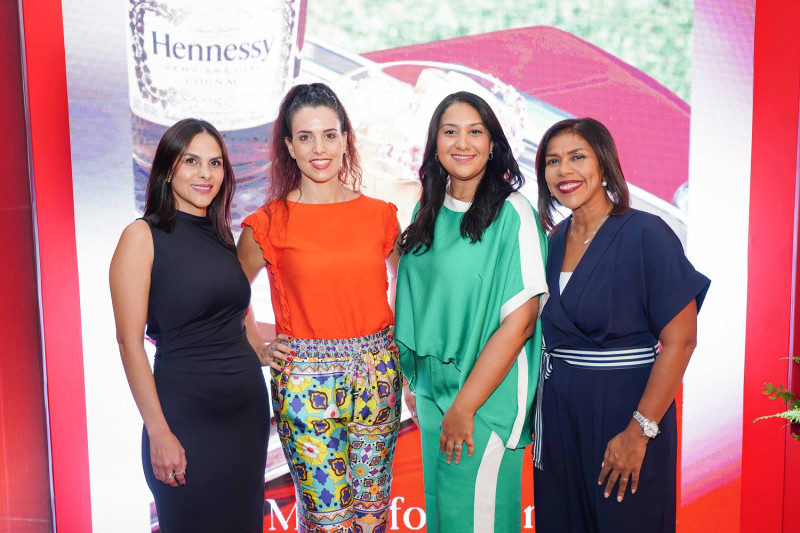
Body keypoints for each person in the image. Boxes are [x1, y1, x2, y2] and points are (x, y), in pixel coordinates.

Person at [531, 117, 710, 533]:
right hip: (560, 416)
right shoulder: (553, 240)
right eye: (553, 161)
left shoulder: (646, 232)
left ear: (604, 162)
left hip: (627, 412)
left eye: (578, 157)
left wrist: (638, 432)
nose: (565, 170)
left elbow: (681, 341)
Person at [237, 83, 402, 533]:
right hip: (304, 380)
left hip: (376, 373)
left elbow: (406, 284)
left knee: (371, 516)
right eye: (305, 137)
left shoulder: (381, 215)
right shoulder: (267, 223)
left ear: (346, 138)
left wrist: (396, 347)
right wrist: (258, 347)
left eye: (329, 135)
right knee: (328, 522)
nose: (319, 148)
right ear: (289, 146)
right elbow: (230, 294)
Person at [394, 91, 549, 533]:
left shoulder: (513, 214)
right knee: (446, 520)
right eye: (450, 131)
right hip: (432, 399)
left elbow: (519, 324)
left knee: (478, 522)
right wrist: (415, 380)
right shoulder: (427, 209)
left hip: (483, 401)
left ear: (494, 143)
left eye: (475, 131)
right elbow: (419, 302)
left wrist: (464, 407)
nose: (463, 143)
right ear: (435, 144)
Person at [110, 118, 269, 532]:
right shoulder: (141, 237)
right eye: (191, 161)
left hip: (246, 417)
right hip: (185, 421)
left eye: (215, 163)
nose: (205, 173)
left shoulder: (221, 236)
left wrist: (260, 348)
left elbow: (235, 307)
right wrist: (159, 433)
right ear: (166, 169)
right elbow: (130, 344)